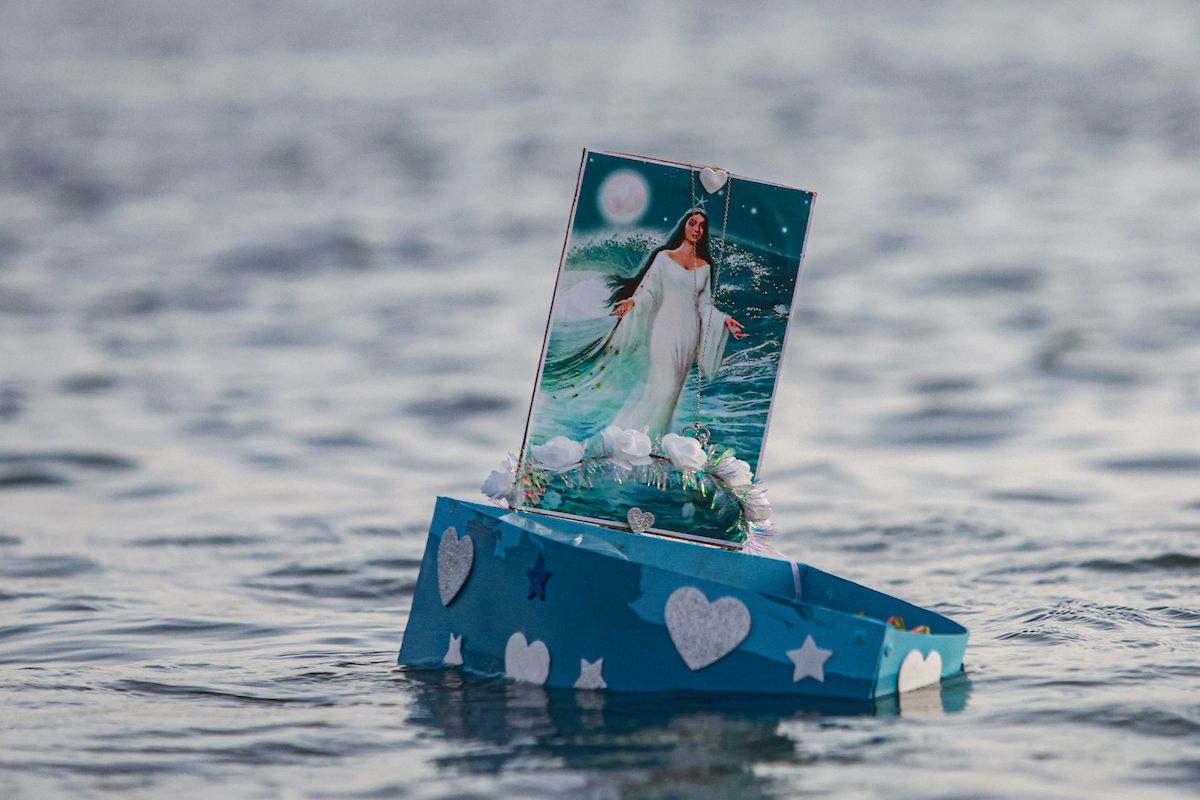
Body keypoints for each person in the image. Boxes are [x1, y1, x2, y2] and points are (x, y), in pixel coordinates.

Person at [540, 208, 747, 440]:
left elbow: (704, 305)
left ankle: (655, 443)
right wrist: (632, 302)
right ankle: (633, 438)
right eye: (692, 223)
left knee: (673, 392)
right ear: (684, 226)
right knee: (663, 388)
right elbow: (649, 292)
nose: (696, 229)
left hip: (687, 334)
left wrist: (724, 320)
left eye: (701, 226)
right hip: (662, 329)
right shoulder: (664, 258)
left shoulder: (705, 267)